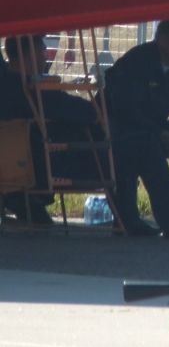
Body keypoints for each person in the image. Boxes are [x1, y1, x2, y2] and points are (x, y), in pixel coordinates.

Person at [105, 19, 169, 237]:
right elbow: (127, 110)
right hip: (119, 125)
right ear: (162, 41)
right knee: (144, 144)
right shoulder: (137, 61)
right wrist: (165, 136)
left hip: (153, 125)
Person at [0, 34, 103, 225]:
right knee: (102, 136)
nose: (45, 58)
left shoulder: (8, 87)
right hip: (39, 165)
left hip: (14, 166)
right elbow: (86, 112)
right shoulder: (33, 91)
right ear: (25, 57)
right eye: (41, 53)